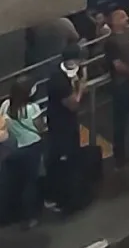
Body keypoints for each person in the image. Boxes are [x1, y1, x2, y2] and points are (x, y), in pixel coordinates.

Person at [44, 43, 87, 212]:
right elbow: (73, 104)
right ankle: (56, 196)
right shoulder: (58, 81)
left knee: (71, 156)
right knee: (60, 160)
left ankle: (67, 191)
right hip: (60, 125)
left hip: (68, 123)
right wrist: (81, 89)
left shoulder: (66, 73)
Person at [1, 76, 46, 228]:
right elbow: (41, 127)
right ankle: (30, 216)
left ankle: (13, 213)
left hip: (13, 149)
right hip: (31, 147)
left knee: (15, 181)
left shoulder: (6, 105)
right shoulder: (31, 108)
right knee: (30, 182)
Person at [104, 9, 129, 173]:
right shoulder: (111, 42)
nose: (127, 18)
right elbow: (117, 65)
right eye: (122, 17)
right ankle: (119, 157)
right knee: (120, 122)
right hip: (123, 85)